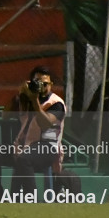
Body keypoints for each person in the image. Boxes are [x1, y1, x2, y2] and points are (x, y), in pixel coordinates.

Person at [8, 66, 66, 200]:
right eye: (37, 83)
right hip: (24, 145)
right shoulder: (26, 99)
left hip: (47, 147)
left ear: (51, 84)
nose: (41, 87)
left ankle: (32, 199)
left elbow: (45, 123)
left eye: (45, 84)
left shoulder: (56, 103)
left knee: (24, 159)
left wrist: (34, 101)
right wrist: (19, 95)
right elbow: (5, 115)